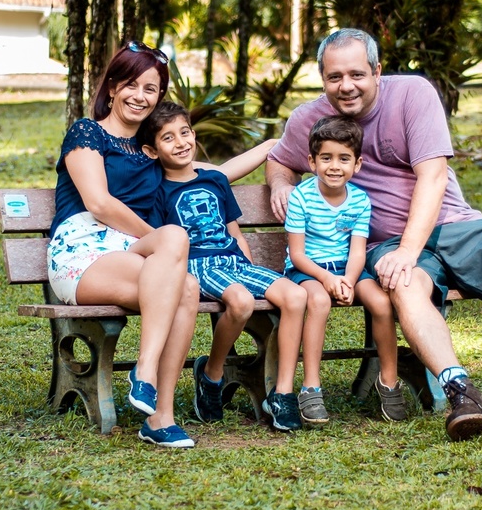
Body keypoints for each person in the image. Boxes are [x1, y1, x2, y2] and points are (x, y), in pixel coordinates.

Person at [266, 28, 482, 442]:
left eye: (357, 74)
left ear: (377, 71)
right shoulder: (309, 119)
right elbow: (278, 160)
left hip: (453, 224)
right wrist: (281, 184)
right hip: (385, 243)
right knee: (404, 284)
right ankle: (461, 392)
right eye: (334, 77)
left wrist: (410, 248)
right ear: (322, 78)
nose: (346, 86)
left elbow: (433, 176)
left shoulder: (412, 93)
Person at [47, 41, 199, 448]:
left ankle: (159, 418)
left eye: (151, 89)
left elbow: (208, 171)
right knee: (175, 254)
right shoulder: (87, 132)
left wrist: (279, 146)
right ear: (112, 87)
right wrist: (151, 236)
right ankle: (146, 373)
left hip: (131, 252)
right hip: (82, 249)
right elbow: (98, 203)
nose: (140, 96)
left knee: (187, 286)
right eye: (131, 84)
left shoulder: (152, 148)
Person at [138, 102, 314, 431]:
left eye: (185, 132)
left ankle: (283, 392)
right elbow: (162, 244)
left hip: (233, 261)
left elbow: (234, 231)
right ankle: (212, 374)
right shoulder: (157, 190)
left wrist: (247, 266)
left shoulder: (215, 180)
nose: (181, 142)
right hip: (196, 266)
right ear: (151, 150)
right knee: (242, 301)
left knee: (295, 296)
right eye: (168, 138)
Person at [282, 116, 402, 422]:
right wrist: (328, 280)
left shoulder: (360, 200)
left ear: (357, 164)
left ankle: (388, 381)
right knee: (319, 301)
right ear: (312, 162)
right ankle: (311, 387)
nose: (335, 166)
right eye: (326, 158)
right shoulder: (301, 197)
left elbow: (358, 251)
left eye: (344, 159)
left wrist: (348, 280)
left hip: (346, 269)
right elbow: (297, 255)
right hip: (307, 271)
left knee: (380, 302)